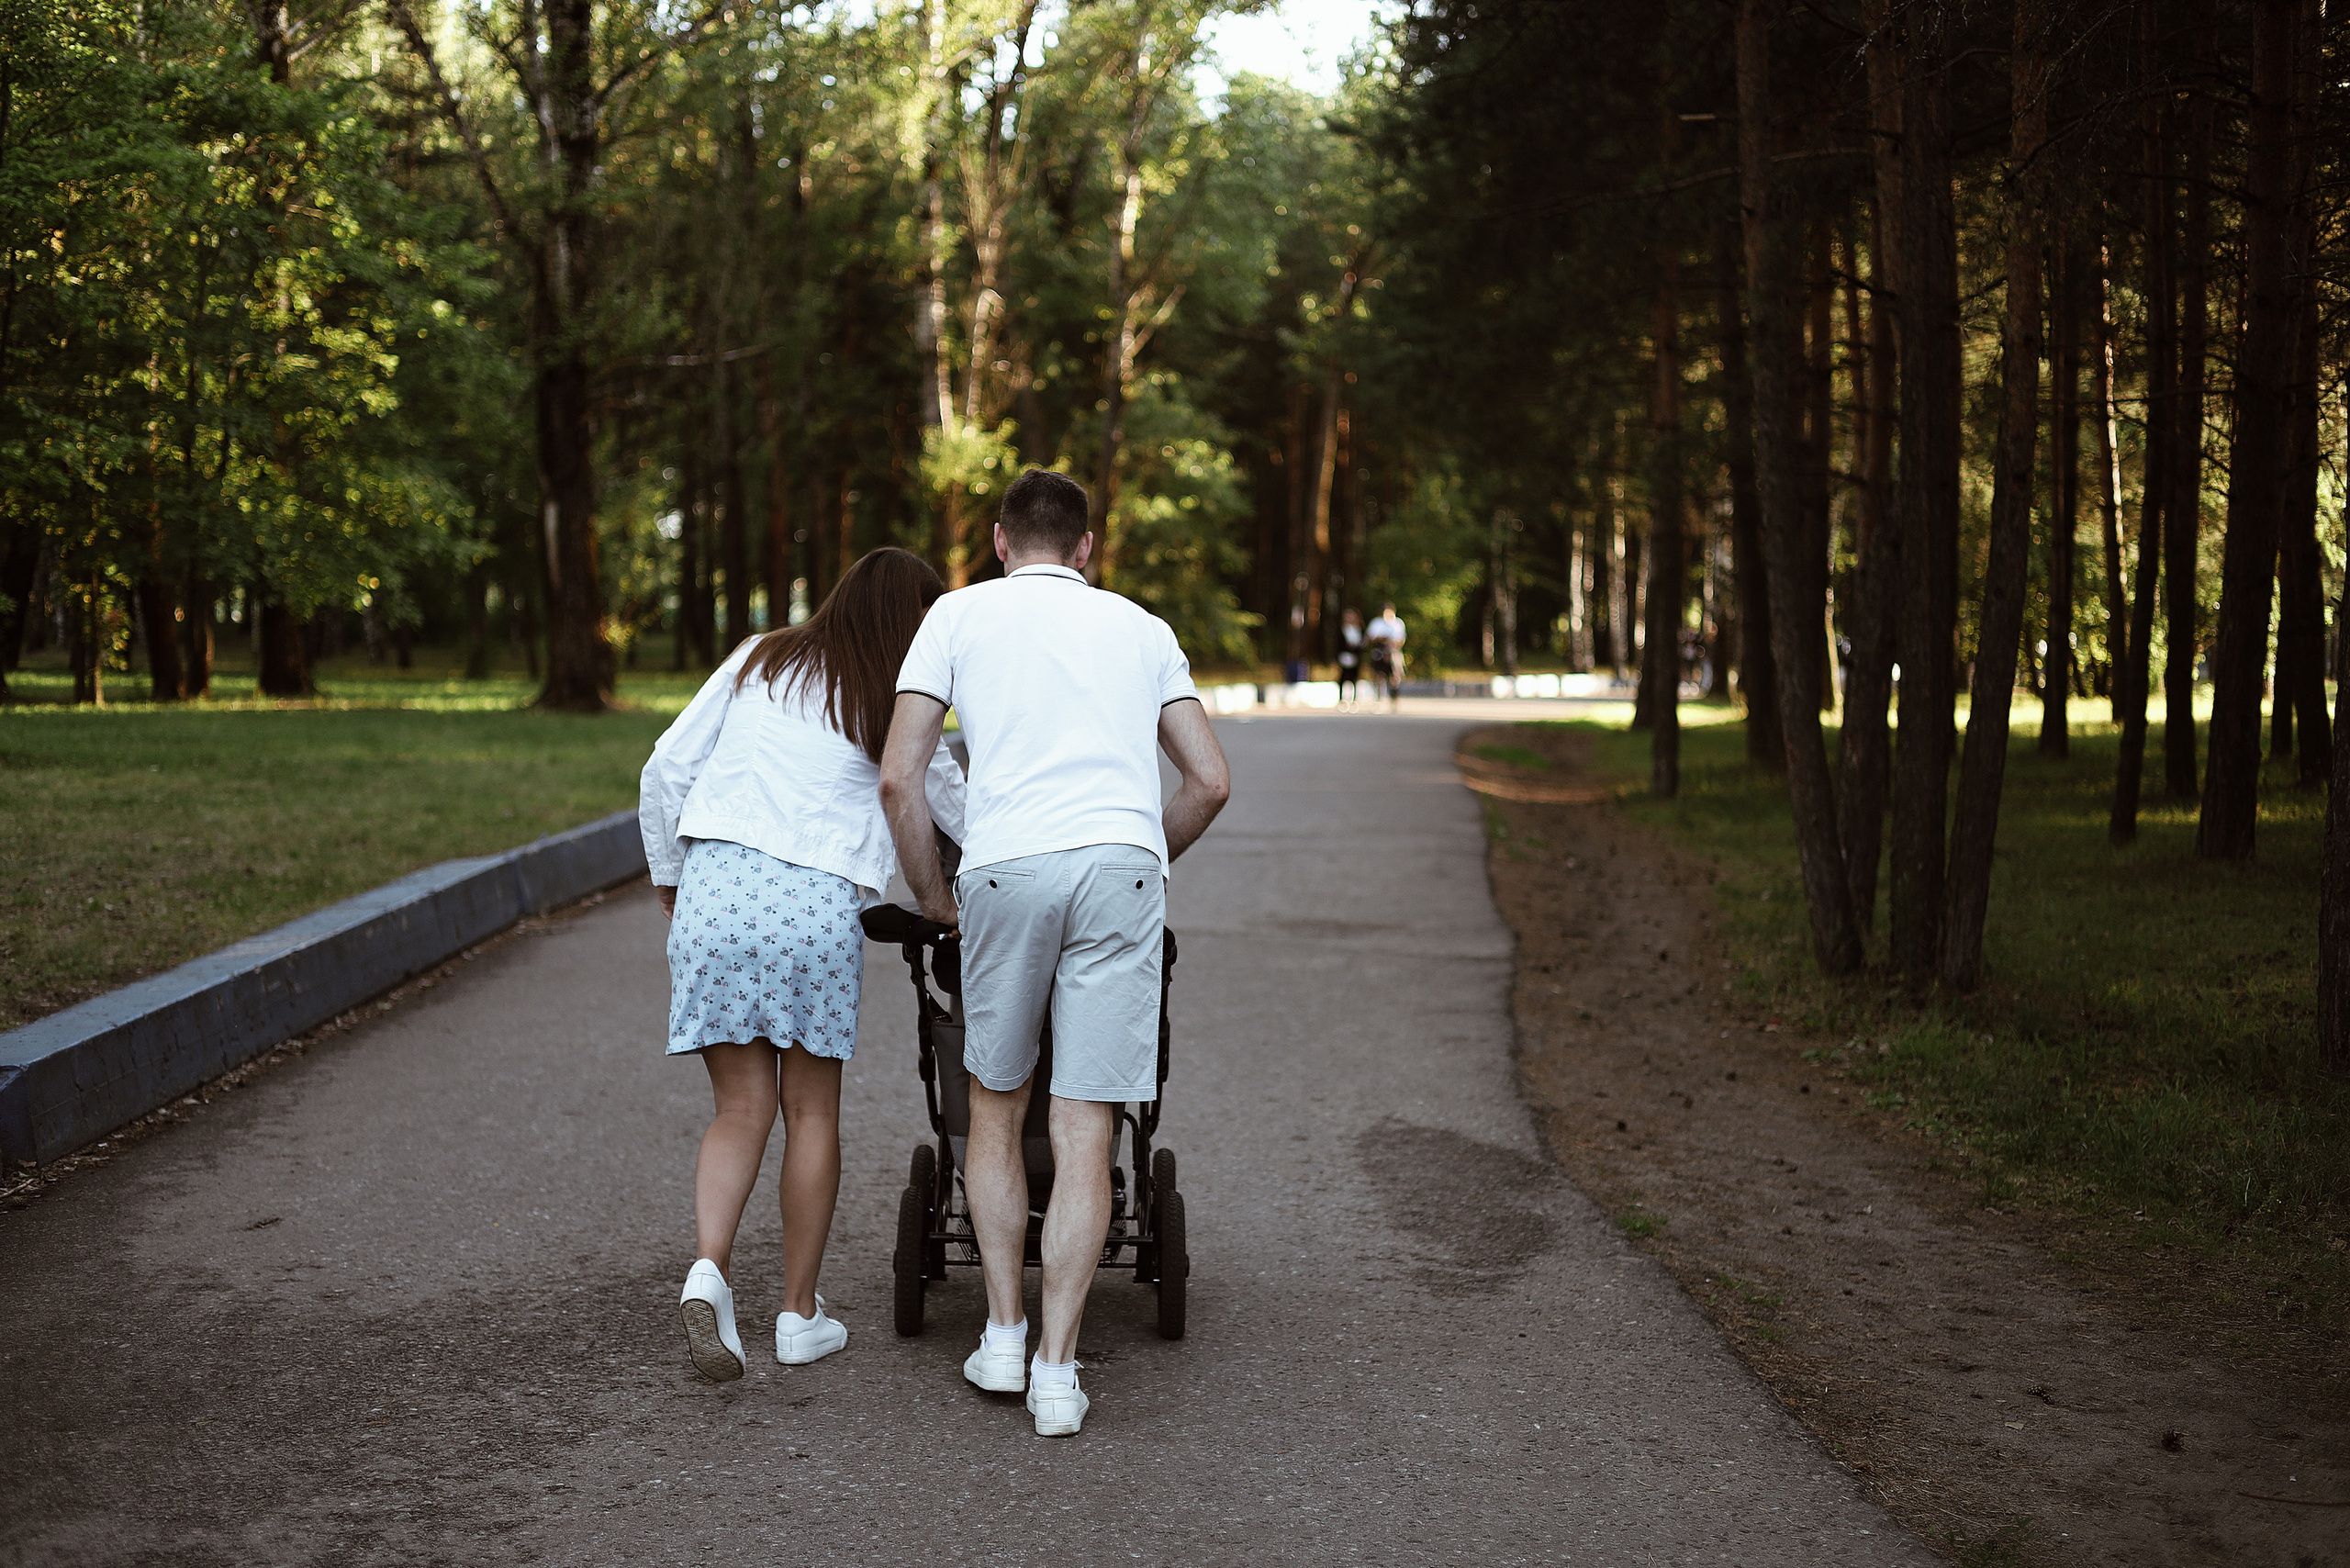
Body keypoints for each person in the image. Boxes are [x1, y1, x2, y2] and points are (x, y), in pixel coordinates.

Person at [878, 469, 1231, 1438]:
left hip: (1004, 869)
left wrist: (932, 899)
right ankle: (1059, 1371)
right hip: (1118, 866)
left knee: (993, 1109)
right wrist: (1139, 854)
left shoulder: (954, 618)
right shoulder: (1142, 628)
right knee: (1086, 1126)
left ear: (998, 541)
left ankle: (1000, 1331)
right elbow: (1208, 780)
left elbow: (901, 778)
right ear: (1085, 547)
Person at [640, 547, 967, 1384]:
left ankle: (708, 1271)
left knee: (738, 1109)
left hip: (716, 890)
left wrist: (672, 884)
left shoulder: (759, 656)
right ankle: (797, 1314)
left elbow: (665, 768)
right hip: (812, 908)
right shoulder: (897, 698)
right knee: (809, 1114)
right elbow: (948, 799)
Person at [1367, 601, 1407, 711]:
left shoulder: (1398, 623)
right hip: (1379, 652)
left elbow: (1401, 640)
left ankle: (1394, 702)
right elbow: (1370, 638)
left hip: (1393, 652)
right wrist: (1381, 638)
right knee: (1379, 676)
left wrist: (1392, 642)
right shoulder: (1376, 623)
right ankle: (1379, 701)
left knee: (1394, 678)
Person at [1336, 608, 1365, 708]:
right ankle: (1341, 699)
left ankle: (1353, 699)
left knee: (1354, 677)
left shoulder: (1359, 629)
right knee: (1343, 677)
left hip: (1355, 657)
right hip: (1344, 656)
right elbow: (1338, 645)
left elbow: (1363, 643)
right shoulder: (1342, 629)